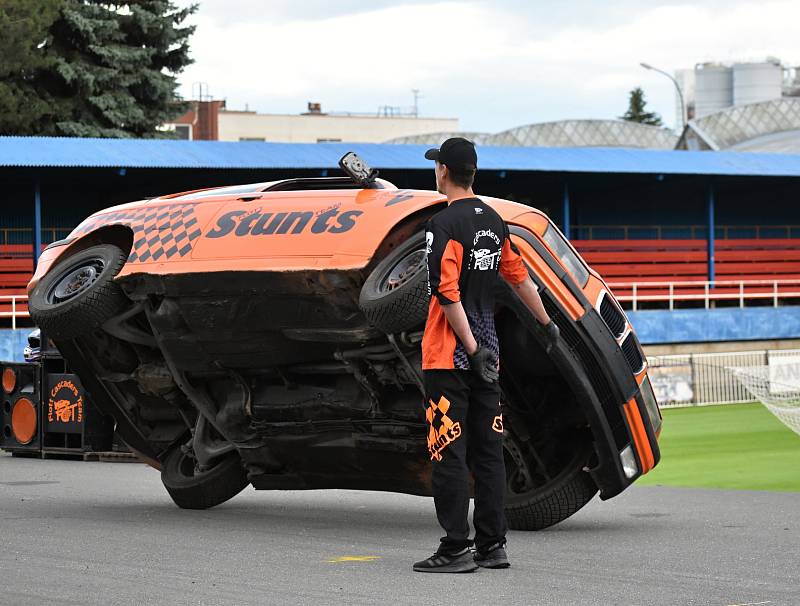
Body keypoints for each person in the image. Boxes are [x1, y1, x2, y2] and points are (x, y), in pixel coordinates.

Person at [413, 137, 559, 573]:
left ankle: (455, 548)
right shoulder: (495, 222)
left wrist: (470, 351)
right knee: (489, 453)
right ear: (472, 172)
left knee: (448, 452)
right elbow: (521, 279)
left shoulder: (442, 225)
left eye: (436, 165)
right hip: (490, 356)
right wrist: (547, 324)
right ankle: (492, 546)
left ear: (443, 171)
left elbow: (445, 292)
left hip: (449, 357)